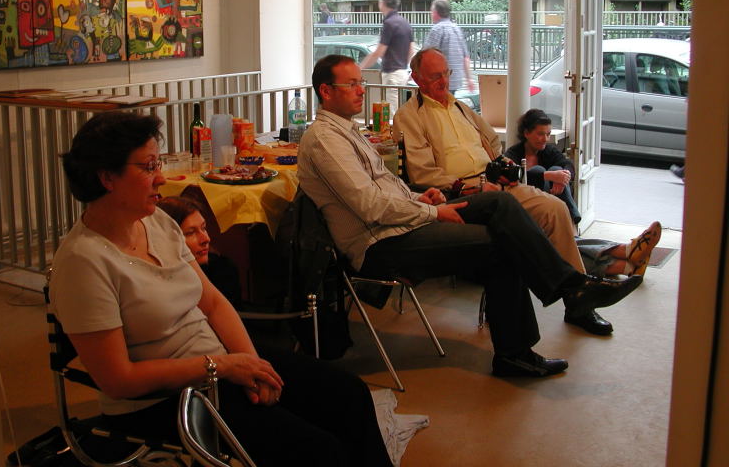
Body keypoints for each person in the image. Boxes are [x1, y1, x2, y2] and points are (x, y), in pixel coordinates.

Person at [50, 112, 392, 467]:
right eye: (149, 167)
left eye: (158, 164)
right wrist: (222, 367)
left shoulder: (156, 222)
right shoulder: (83, 263)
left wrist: (252, 365)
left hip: (216, 365)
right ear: (106, 177)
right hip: (159, 401)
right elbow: (119, 381)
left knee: (349, 396)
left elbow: (212, 303)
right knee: (318, 451)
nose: (160, 177)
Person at [298, 54, 642, 377]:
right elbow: (371, 206)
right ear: (326, 92)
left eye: (361, 82)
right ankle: (530, 336)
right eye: (352, 84)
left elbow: (389, 187)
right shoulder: (327, 139)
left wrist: (419, 197)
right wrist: (433, 209)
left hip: (405, 220)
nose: (361, 90)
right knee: (503, 243)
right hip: (381, 242)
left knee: (502, 206)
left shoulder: (350, 131)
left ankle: (570, 291)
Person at [391, 48, 659, 335]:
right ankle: (581, 296)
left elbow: (492, 141)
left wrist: (499, 167)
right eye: (435, 77)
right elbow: (422, 173)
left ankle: (579, 298)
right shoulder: (410, 116)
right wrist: (469, 184)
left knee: (556, 209)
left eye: (447, 73)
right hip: (458, 194)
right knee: (525, 233)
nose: (444, 81)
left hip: (492, 183)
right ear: (416, 78)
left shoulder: (460, 108)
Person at [158, 195, 243, 309]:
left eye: (203, 228)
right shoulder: (156, 282)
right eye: (190, 233)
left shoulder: (222, 270)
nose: (206, 239)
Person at [504, 108, 581, 224]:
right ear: (526, 133)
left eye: (548, 134)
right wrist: (547, 175)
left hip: (554, 200)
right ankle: (571, 218)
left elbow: (568, 165)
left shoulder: (549, 151)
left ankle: (572, 217)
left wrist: (563, 177)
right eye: (540, 134)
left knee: (558, 170)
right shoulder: (513, 153)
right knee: (539, 170)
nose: (545, 139)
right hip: (527, 204)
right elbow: (511, 175)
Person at [359, 0, 414, 109]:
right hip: (403, 74)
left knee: (392, 112)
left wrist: (359, 68)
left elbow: (379, 52)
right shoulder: (405, 22)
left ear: (382, 2)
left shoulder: (389, 24)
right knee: (400, 110)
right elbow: (411, 50)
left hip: (391, 75)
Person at [422, 0, 474, 93]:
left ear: (436, 13)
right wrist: (469, 79)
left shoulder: (437, 29)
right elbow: (466, 58)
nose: (431, 14)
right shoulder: (457, 29)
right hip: (454, 81)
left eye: (431, 11)